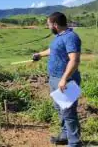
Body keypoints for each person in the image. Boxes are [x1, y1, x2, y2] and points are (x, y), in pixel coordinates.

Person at [33, 12, 82, 147]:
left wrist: (64, 79)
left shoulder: (71, 37)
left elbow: (74, 60)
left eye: (49, 24)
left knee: (68, 112)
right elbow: (52, 50)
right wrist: (39, 54)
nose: (48, 27)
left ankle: (75, 143)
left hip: (65, 80)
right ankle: (65, 136)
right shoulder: (60, 36)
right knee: (59, 108)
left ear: (55, 24)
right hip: (55, 78)